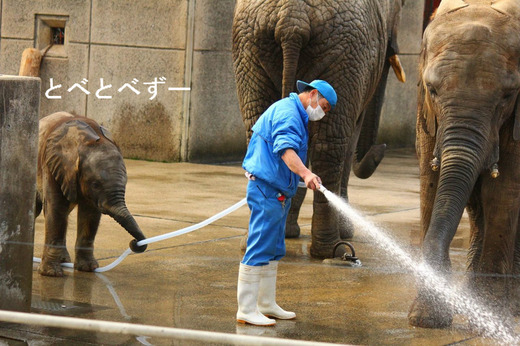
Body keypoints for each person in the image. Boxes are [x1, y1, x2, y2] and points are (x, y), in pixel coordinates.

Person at [237, 80, 337, 326]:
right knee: (260, 245)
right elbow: (286, 150)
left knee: (273, 248)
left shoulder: (296, 114)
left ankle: (266, 304)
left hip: (278, 192)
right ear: (313, 94)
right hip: (266, 190)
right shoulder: (287, 113)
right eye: (323, 107)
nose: (322, 114)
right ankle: (246, 309)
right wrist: (306, 174)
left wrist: (301, 176)